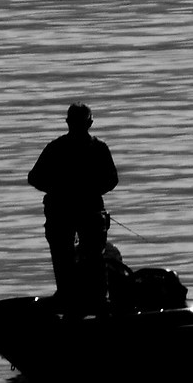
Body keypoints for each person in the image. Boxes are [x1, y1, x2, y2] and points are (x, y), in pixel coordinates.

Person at [27, 103, 119, 311]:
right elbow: (34, 178)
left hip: (82, 212)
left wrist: (79, 192)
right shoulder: (91, 148)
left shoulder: (85, 148)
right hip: (68, 212)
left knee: (89, 257)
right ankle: (83, 299)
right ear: (90, 123)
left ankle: (90, 299)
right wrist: (64, 191)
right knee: (72, 257)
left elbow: (112, 179)